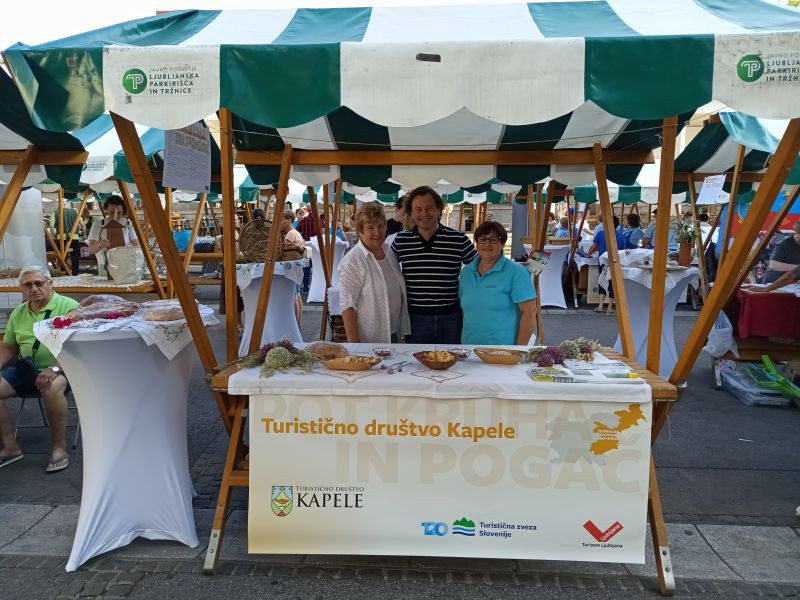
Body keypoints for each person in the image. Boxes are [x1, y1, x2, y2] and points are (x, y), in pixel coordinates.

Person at [0, 266, 79, 472]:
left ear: (50, 284)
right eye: (27, 285)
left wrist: (54, 368)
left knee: (50, 387)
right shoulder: (19, 312)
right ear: (22, 288)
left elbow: (77, 347)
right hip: (26, 369)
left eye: (39, 283)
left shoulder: (69, 307)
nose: (33, 288)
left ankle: (58, 448)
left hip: (63, 368)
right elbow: (8, 347)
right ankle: (10, 447)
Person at [392, 186, 478, 344]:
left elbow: (480, 268)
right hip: (415, 319)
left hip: (451, 317)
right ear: (411, 213)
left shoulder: (458, 239)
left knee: (452, 357)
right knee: (418, 359)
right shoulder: (401, 241)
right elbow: (387, 270)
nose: (424, 213)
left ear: (439, 210)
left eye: (429, 208)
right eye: (418, 209)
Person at [338, 204, 409, 343]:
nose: (377, 232)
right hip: (369, 340)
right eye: (370, 228)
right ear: (360, 231)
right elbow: (347, 306)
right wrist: (356, 348)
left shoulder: (388, 251)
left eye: (381, 226)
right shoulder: (353, 261)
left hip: (393, 332)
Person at [459, 222, 536, 345]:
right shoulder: (466, 273)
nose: (487, 244)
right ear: (476, 243)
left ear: (502, 243)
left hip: (503, 350)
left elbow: (529, 312)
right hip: (469, 348)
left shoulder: (517, 272)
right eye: (482, 239)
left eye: (493, 240)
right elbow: (465, 310)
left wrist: (519, 350)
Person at [581, 216, 626, 314]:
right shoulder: (622, 236)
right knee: (613, 283)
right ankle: (610, 307)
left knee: (602, 280)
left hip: (603, 261)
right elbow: (622, 251)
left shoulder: (601, 234)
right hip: (615, 262)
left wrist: (587, 255)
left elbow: (593, 247)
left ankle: (601, 305)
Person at [87, 195, 139, 277]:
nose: (116, 216)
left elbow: (137, 246)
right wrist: (100, 245)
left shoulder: (128, 224)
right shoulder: (98, 225)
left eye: (119, 213)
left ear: (123, 211)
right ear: (106, 210)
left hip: (125, 265)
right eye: (112, 212)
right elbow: (91, 250)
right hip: (105, 266)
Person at [281, 210, 305, 323]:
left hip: (291, 266)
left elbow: (284, 249)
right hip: (298, 265)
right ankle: (299, 322)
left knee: (294, 296)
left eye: (283, 220)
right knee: (298, 295)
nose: (281, 222)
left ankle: (295, 323)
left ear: (289, 220)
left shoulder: (290, 234)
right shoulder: (296, 232)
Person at [53, 204, 82, 276]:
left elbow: (51, 226)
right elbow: (82, 224)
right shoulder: (75, 212)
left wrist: (54, 236)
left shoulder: (55, 213)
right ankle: (75, 273)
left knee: (63, 256)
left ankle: (64, 271)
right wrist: (84, 234)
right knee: (75, 256)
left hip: (61, 238)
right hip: (74, 236)